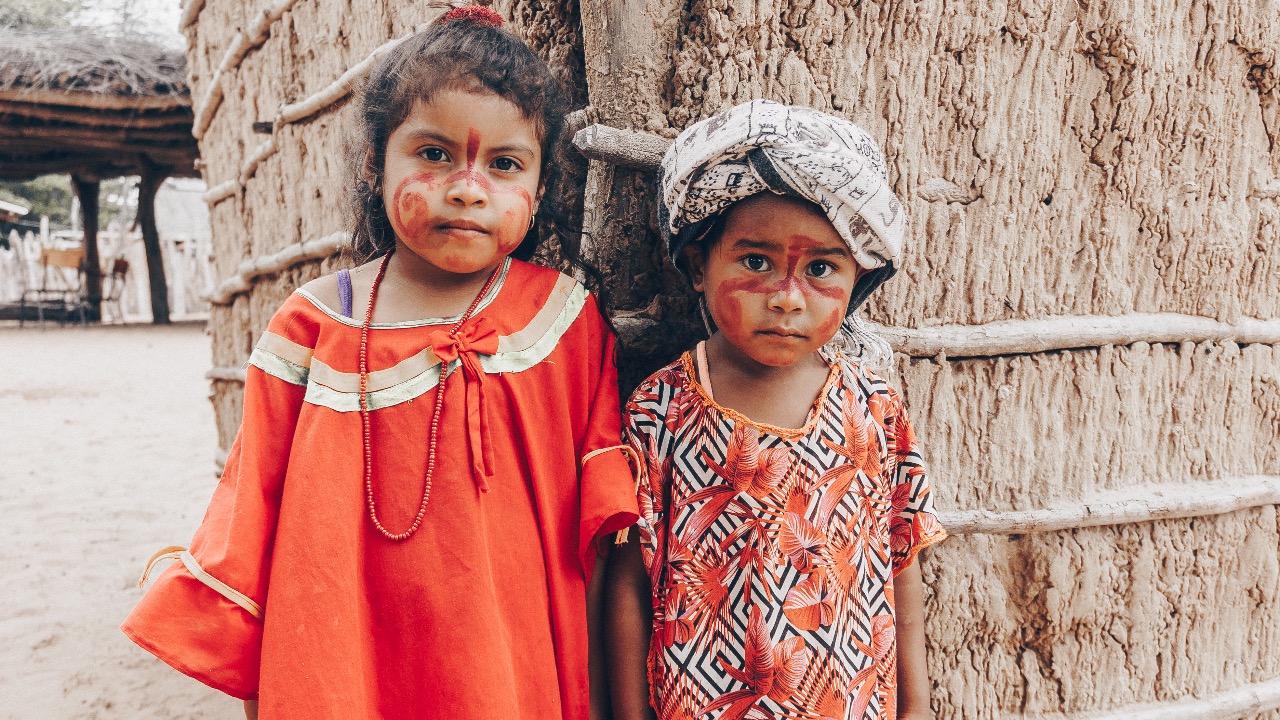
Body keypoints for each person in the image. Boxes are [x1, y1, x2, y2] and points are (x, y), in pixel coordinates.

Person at [122, 8, 639, 719]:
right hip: (347, 671)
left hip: (512, 672)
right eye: (433, 155)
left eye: (505, 165)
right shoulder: (310, 330)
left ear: (543, 187)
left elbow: (603, 538)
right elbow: (251, 530)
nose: (467, 187)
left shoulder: (562, 323)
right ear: (376, 161)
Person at [604, 100, 947, 720]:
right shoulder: (660, 409)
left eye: (821, 269)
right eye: (755, 262)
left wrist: (916, 709)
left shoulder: (874, 409)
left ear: (857, 278)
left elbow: (902, 560)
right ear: (697, 266)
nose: (788, 299)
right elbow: (629, 580)